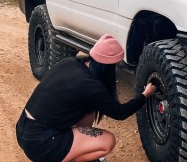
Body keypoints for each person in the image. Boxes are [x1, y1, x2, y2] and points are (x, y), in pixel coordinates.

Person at [16, 34, 156, 162]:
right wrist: (144, 95)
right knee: (108, 142)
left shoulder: (70, 63)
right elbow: (120, 113)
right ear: (108, 67)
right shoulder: (92, 87)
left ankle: (69, 151)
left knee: (89, 111)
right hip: (41, 143)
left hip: (24, 129)